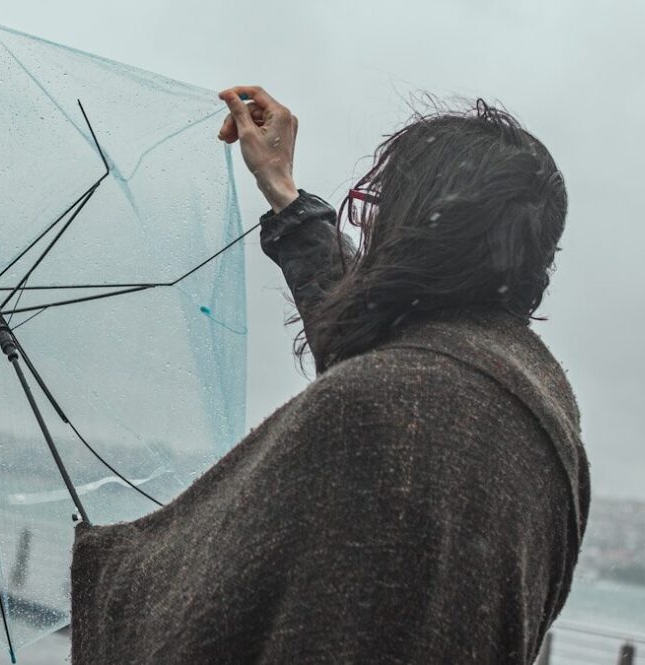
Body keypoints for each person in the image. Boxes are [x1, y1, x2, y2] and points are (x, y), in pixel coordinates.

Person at [69, 86, 589, 664]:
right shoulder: (536, 403)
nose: (369, 230)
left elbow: (213, 605)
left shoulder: (376, 405)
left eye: (377, 212)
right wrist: (283, 192)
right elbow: (392, 345)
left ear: (420, 234)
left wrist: (111, 568)